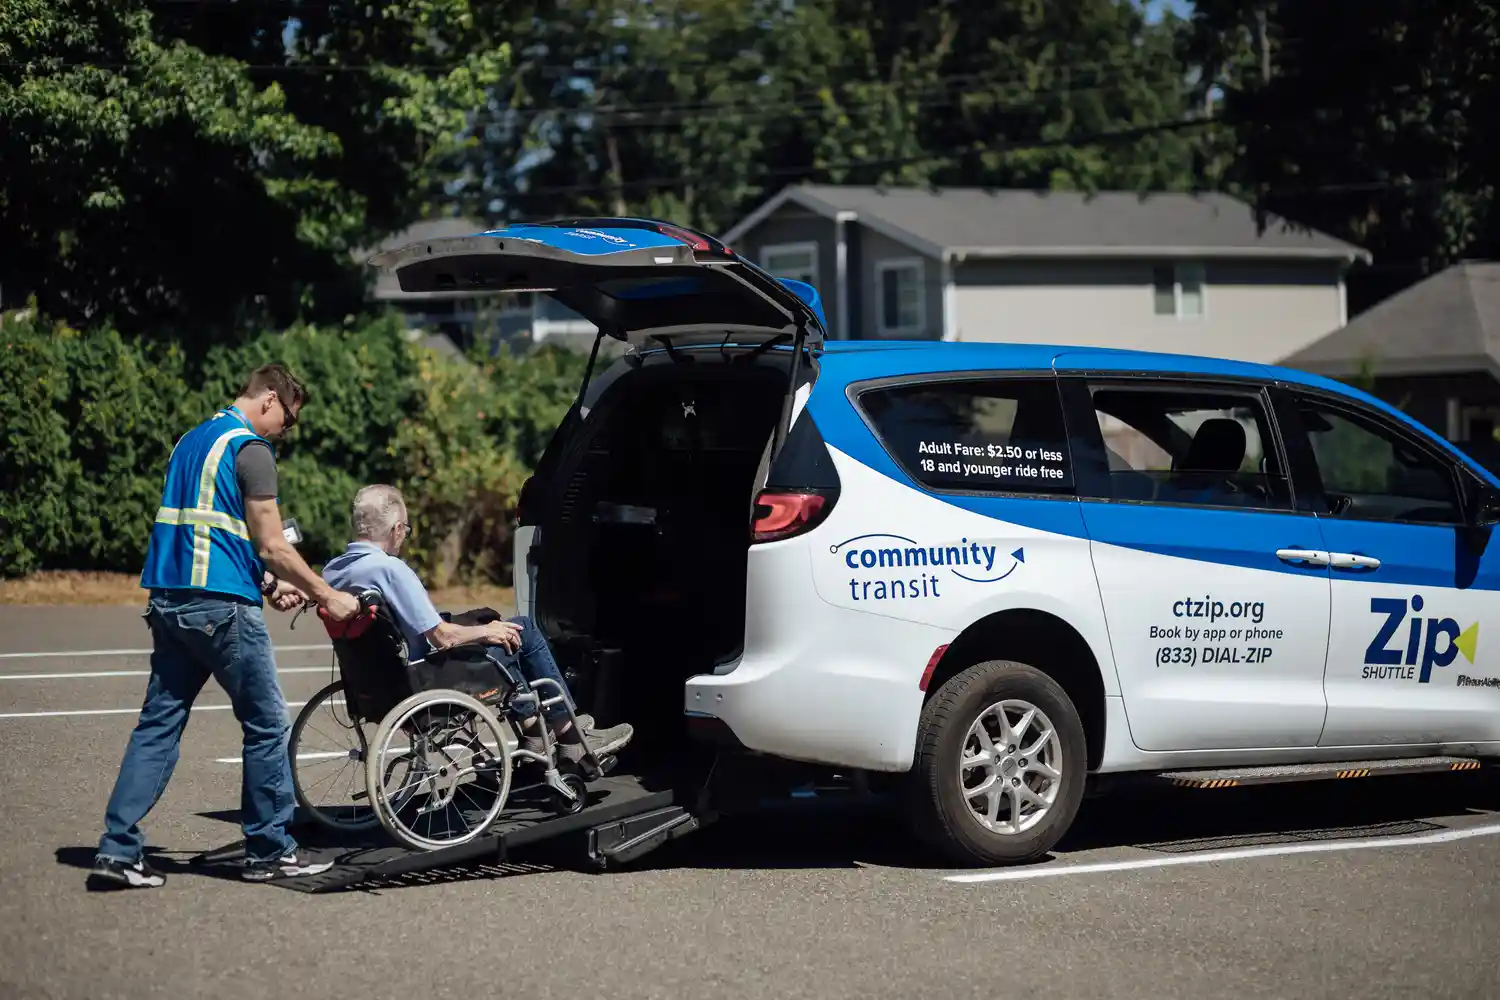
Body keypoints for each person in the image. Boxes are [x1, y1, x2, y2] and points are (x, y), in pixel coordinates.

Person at [89, 365, 361, 891]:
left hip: (170, 602)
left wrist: (266, 582)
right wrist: (328, 594)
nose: (288, 430)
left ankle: (117, 851)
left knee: (158, 726)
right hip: (221, 612)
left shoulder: (190, 442)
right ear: (268, 401)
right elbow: (273, 543)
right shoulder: (252, 449)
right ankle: (270, 851)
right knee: (265, 725)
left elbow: (213, 533)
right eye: (289, 419)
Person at [321, 484, 634, 764]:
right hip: (426, 681)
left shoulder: (333, 571)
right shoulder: (390, 569)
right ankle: (572, 738)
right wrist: (487, 631)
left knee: (496, 631)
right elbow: (442, 637)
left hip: (380, 687)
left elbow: (407, 627)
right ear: (397, 528)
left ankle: (534, 734)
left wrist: (479, 626)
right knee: (522, 632)